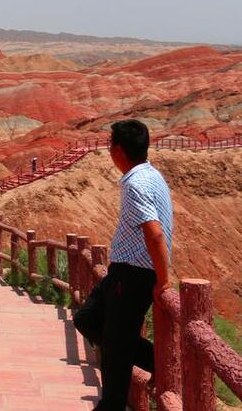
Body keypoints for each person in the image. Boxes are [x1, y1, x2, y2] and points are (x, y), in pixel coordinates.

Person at [73, 120, 173, 411]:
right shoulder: (153, 175)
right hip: (125, 271)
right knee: (88, 319)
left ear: (118, 150)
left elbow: (154, 232)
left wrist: (163, 280)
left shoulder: (135, 184)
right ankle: (157, 361)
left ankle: (112, 406)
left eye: (109, 146)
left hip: (134, 275)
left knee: (116, 349)